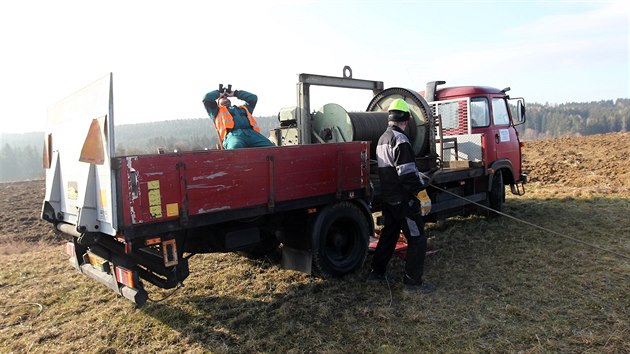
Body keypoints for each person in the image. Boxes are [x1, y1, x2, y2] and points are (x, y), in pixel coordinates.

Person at [368, 98, 434, 293]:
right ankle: (413, 283)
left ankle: (376, 272)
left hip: (389, 199)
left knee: (389, 235)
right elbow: (405, 173)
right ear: (405, 120)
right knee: (417, 237)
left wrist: (414, 173)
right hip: (404, 200)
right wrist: (422, 194)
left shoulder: (382, 139)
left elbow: (394, 168)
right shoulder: (401, 139)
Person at [202, 87, 275, 149]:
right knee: (235, 147)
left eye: (226, 97)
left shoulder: (244, 108)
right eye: (222, 98)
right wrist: (219, 93)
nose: (225, 97)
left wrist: (235, 93)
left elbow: (253, 98)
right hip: (233, 136)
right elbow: (207, 98)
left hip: (252, 134)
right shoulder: (216, 111)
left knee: (270, 148)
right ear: (218, 103)